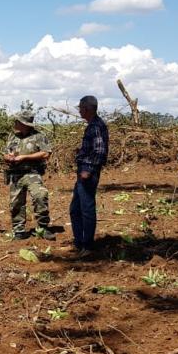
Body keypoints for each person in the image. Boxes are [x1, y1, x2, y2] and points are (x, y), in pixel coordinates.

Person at [4, 109, 55, 240]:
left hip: (33, 174)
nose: (15, 123)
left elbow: (46, 153)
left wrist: (24, 157)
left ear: (24, 123)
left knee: (40, 196)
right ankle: (19, 230)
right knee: (16, 203)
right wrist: (9, 157)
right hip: (15, 175)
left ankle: (43, 227)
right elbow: (6, 153)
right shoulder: (12, 136)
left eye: (18, 121)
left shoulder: (39, 136)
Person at [69, 95, 109, 257]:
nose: (79, 110)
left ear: (87, 108)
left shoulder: (96, 126)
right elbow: (95, 149)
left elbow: (100, 151)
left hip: (87, 171)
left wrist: (88, 169)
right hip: (84, 169)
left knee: (86, 209)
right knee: (75, 209)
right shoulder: (93, 125)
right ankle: (80, 243)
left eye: (80, 107)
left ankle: (87, 245)